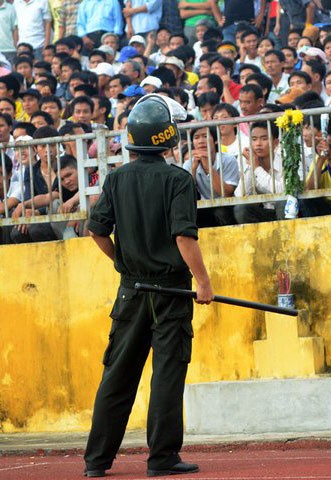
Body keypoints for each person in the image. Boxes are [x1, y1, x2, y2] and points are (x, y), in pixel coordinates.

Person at [84, 94, 213, 478]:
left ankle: (96, 461)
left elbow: (96, 231)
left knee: (118, 374)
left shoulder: (116, 178)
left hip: (131, 291)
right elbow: (183, 239)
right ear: (169, 138)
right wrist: (203, 283)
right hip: (171, 291)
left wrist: (123, 263)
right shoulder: (178, 180)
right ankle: (162, 457)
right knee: (167, 373)